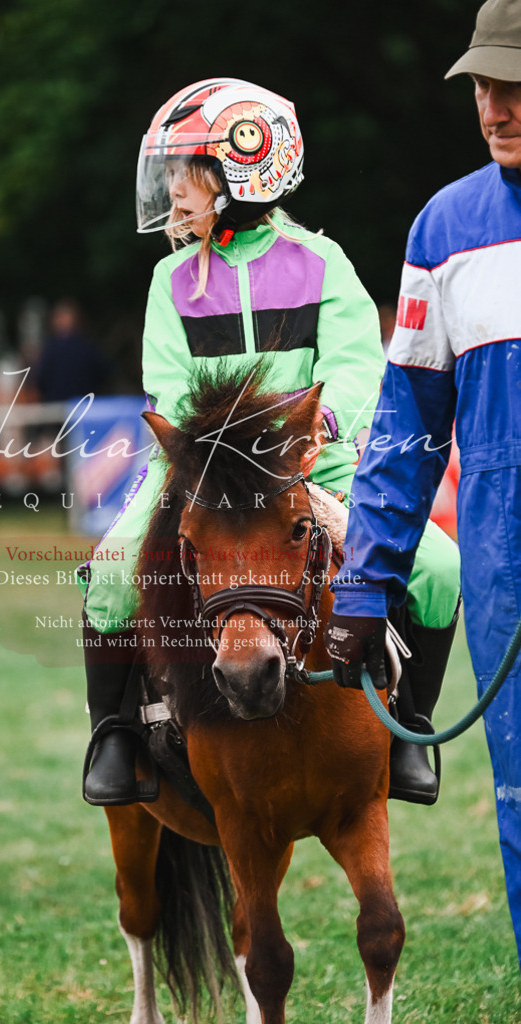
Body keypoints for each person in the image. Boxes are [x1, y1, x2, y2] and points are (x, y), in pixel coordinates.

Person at [78, 78, 460, 807]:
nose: (172, 193)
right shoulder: (168, 281)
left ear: (243, 170)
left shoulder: (324, 263)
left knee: (439, 566)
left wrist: (312, 434)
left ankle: (412, 726)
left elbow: (355, 370)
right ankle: (115, 735)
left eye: (185, 173)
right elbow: (171, 386)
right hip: (200, 475)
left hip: (322, 471)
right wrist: (219, 456)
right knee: (112, 570)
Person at [323, 0, 521, 965]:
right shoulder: (446, 228)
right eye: (486, 83)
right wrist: (363, 583)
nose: (498, 104)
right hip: (500, 576)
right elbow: (405, 432)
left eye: (518, 83)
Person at [35, 298, 107, 402]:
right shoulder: (87, 347)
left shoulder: (51, 349)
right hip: (82, 407)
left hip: (59, 407)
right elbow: (102, 375)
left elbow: (41, 380)